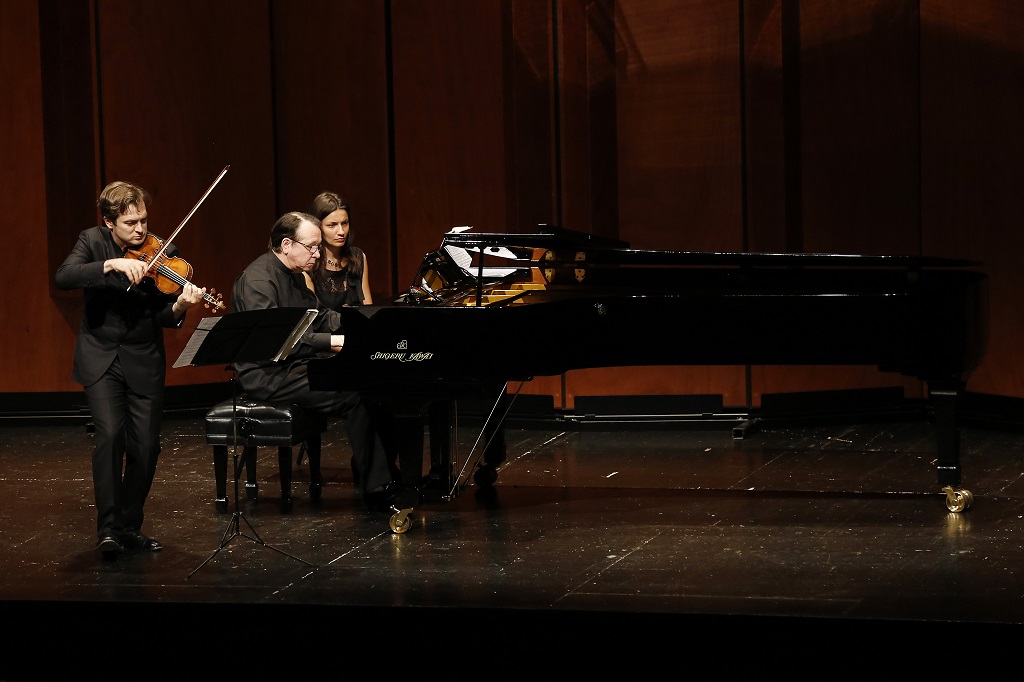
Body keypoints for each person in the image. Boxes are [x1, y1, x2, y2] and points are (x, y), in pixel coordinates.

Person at [55, 181, 206, 556]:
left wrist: (181, 308)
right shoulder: (91, 241)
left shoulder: (163, 252)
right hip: (101, 357)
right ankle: (107, 530)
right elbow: (64, 277)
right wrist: (111, 263)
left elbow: (163, 315)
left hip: (143, 358)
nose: (140, 230)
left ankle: (129, 526)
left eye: (143, 220)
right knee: (109, 438)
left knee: (147, 447)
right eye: (130, 223)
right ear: (109, 221)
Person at [230, 211, 397, 509]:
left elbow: (319, 317)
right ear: (286, 245)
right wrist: (333, 342)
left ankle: (380, 474)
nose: (318, 254)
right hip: (269, 374)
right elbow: (276, 341)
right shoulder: (257, 281)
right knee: (352, 392)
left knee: (371, 383)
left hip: (295, 365)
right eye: (311, 246)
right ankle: (378, 489)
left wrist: (366, 325)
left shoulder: (294, 275)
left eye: (318, 247)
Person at [305, 191, 372, 307]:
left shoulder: (357, 257)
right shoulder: (309, 262)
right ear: (317, 227)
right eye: (332, 225)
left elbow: (368, 309)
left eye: (345, 223)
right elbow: (313, 316)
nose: (341, 232)